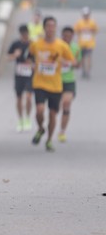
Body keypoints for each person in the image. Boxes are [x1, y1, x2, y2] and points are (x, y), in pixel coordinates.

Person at [29, 16, 75, 152]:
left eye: (53, 26)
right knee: (39, 110)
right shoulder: (36, 44)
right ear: (44, 28)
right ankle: (41, 128)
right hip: (39, 83)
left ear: (55, 28)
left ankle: (49, 140)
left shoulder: (62, 45)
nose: (50, 29)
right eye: (48, 26)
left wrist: (65, 62)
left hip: (55, 85)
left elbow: (72, 61)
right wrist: (32, 64)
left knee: (53, 114)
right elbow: (29, 56)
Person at [7, 24, 34, 133]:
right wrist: (15, 55)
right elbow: (8, 57)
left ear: (28, 33)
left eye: (26, 34)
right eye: (22, 34)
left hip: (30, 75)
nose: (24, 36)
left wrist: (32, 63)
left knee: (28, 97)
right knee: (19, 98)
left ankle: (28, 118)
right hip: (19, 75)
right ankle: (20, 120)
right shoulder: (15, 44)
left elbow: (38, 58)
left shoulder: (33, 45)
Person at [57, 26, 81, 143]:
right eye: (65, 35)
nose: (67, 38)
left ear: (72, 37)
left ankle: (62, 131)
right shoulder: (56, 46)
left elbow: (78, 64)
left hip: (69, 80)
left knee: (66, 104)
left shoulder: (76, 48)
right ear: (62, 35)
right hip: (55, 80)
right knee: (55, 107)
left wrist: (71, 62)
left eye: (69, 36)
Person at [74, 6, 98, 79]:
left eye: (87, 14)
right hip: (81, 43)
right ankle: (84, 70)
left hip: (90, 43)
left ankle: (88, 71)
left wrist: (90, 30)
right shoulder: (79, 22)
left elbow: (96, 30)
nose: (86, 16)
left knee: (88, 57)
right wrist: (81, 30)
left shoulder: (92, 22)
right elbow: (75, 30)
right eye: (85, 14)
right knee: (83, 58)